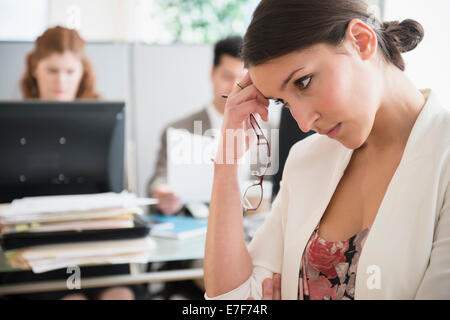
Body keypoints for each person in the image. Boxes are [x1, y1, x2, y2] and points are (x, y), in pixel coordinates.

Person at [204, 0, 450, 300]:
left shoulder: (443, 154)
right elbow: (233, 300)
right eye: (283, 102)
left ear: (361, 40)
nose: (304, 123)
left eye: (303, 82)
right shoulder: (307, 160)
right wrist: (226, 160)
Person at [19, 26, 136, 300]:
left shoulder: (105, 122)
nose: (61, 80)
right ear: (35, 69)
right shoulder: (16, 124)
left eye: (70, 72)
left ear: (82, 72)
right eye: (52, 70)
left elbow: (119, 190)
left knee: (120, 295)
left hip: (94, 241)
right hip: (39, 247)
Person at [148, 35, 256, 215]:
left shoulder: (268, 130)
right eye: (227, 77)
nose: (235, 88)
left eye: (243, 80)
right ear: (212, 74)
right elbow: (158, 180)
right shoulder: (179, 130)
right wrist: (162, 193)